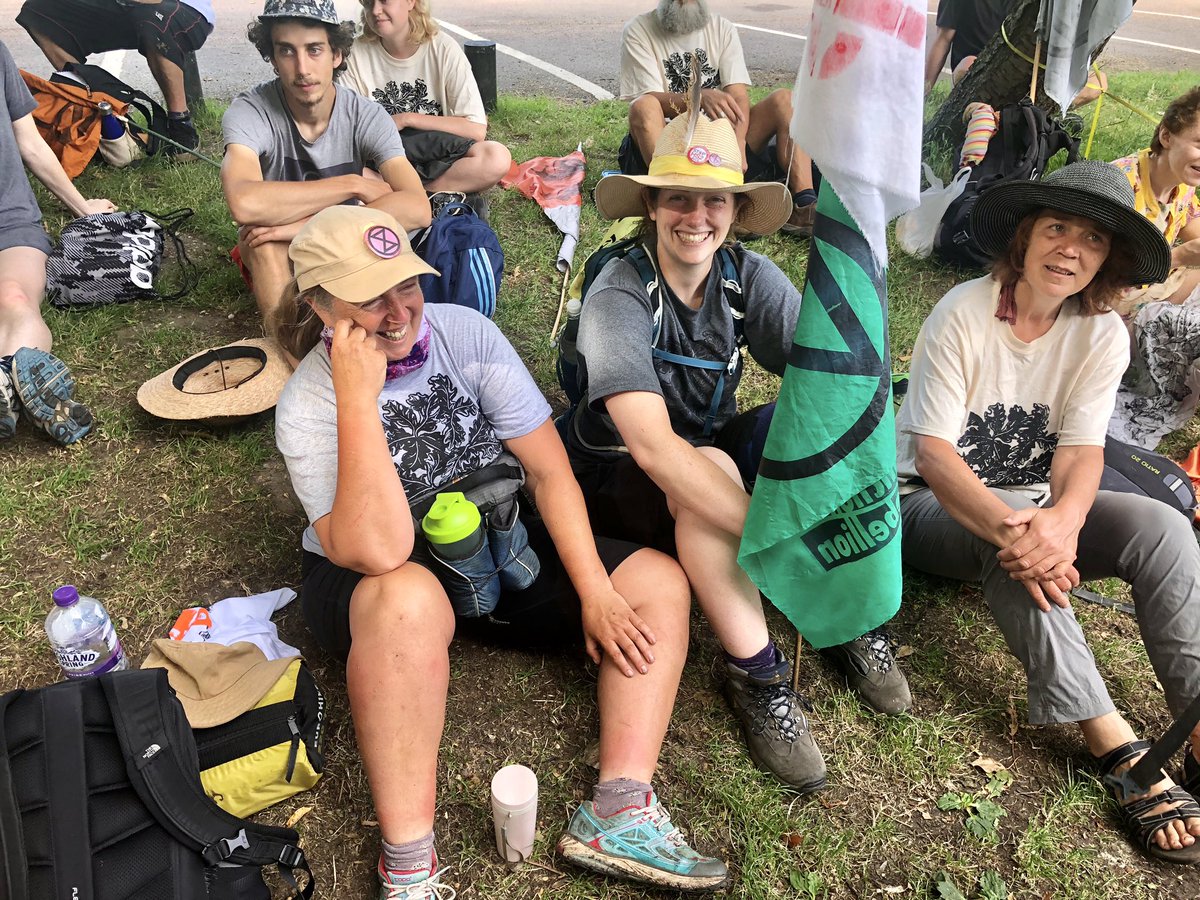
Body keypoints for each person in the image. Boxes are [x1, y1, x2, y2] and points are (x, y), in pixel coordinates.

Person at [273, 204, 731, 896]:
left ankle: (620, 809)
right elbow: (381, 547)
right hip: (381, 576)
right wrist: (357, 398)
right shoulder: (309, 404)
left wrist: (597, 593)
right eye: (369, 298)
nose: (398, 313)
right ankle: (408, 865)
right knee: (407, 598)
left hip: (497, 533)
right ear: (319, 304)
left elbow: (548, 471)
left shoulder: (465, 333)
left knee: (659, 583)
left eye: (407, 285)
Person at [561, 107, 912, 795]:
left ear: (734, 209)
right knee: (710, 469)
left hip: (707, 448)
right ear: (653, 206)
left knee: (811, 424)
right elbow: (654, 448)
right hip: (620, 479)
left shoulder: (742, 276)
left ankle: (847, 611)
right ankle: (759, 674)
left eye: (714, 199)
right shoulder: (620, 292)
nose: (697, 215)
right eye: (679, 199)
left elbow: (824, 375)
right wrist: (775, 530)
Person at [897, 159, 1200, 864]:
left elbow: (1082, 453)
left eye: (1092, 240)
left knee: (1159, 527)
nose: (1071, 248)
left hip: (1035, 511)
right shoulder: (964, 311)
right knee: (1017, 549)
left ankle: (1195, 722)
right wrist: (1024, 532)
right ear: (1024, 237)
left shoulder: (1100, 333)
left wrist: (1063, 521)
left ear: (1109, 260)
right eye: (1057, 228)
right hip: (927, 511)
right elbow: (936, 456)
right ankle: (1120, 749)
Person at [220, 0, 430, 337]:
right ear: (272, 58)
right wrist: (353, 184)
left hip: (339, 242)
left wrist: (301, 226)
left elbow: (418, 209)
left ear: (337, 55)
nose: (302, 68)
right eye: (286, 51)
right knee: (262, 242)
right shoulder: (251, 110)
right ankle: (293, 360)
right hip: (279, 247)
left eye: (314, 50)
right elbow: (244, 202)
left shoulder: (366, 115)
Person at [618, 0, 817, 236]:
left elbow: (738, 96)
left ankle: (805, 203)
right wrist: (696, 98)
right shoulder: (638, 30)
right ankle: (669, 196)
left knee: (784, 100)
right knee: (642, 106)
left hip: (721, 147)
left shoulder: (722, 28)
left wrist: (739, 145)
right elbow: (650, 99)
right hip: (671, 148)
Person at [0, 39, 114, 446]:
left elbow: (30, 142)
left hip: (8, 222)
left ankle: (5, 382)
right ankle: (9, 384)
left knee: (15, 299)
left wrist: (83, 207)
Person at [341, 0, 511, 212]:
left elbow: (475, 129)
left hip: (440, 161)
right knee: (337, 168)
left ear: (411, 2)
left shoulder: (443, 48)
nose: (375, 11)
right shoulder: (354, 54)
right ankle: (435, 198)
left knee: (497, 157)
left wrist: (406, 119)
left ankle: (408, 197)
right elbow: (349, 134)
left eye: (385, 1)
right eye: (368, 2)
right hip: (382, 163)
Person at [1108, 86, 1200, 449]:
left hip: (1155, 289)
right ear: (1166, 135)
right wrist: (1177, 258)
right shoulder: (1120, 185)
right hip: (1112, 308)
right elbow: (1094, 277)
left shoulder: (1182, 187)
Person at [17, 0, 213, 157]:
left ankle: (181, 128)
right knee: (38, 9)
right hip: (123, 8)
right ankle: (96, 108)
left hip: (182, 10)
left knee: (154, 18)